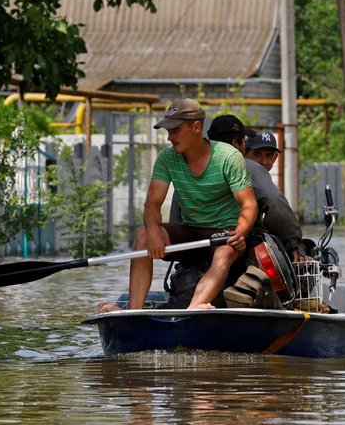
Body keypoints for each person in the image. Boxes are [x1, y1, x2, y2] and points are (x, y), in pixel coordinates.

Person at [102, 99, 257, 312]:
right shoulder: (167, 158)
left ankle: (192, 310)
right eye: (168, 131)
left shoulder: (228, 156)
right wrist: (154, 230)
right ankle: (133, 311)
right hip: (191, 230)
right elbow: (152, 204)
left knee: (223, 254)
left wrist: (240, 233)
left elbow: (249, 205)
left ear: (196, 127)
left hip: (225, 233)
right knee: (143, 235)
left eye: (175, 130)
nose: (169, 137)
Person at [208, 115, 307, 261]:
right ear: (238, 145)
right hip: (237, 242)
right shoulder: (247, 166)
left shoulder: (194, 167)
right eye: (257, 154)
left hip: (197, 242)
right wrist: (294, 244)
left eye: (269, 155)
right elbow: (274, 202)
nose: (263, 161)